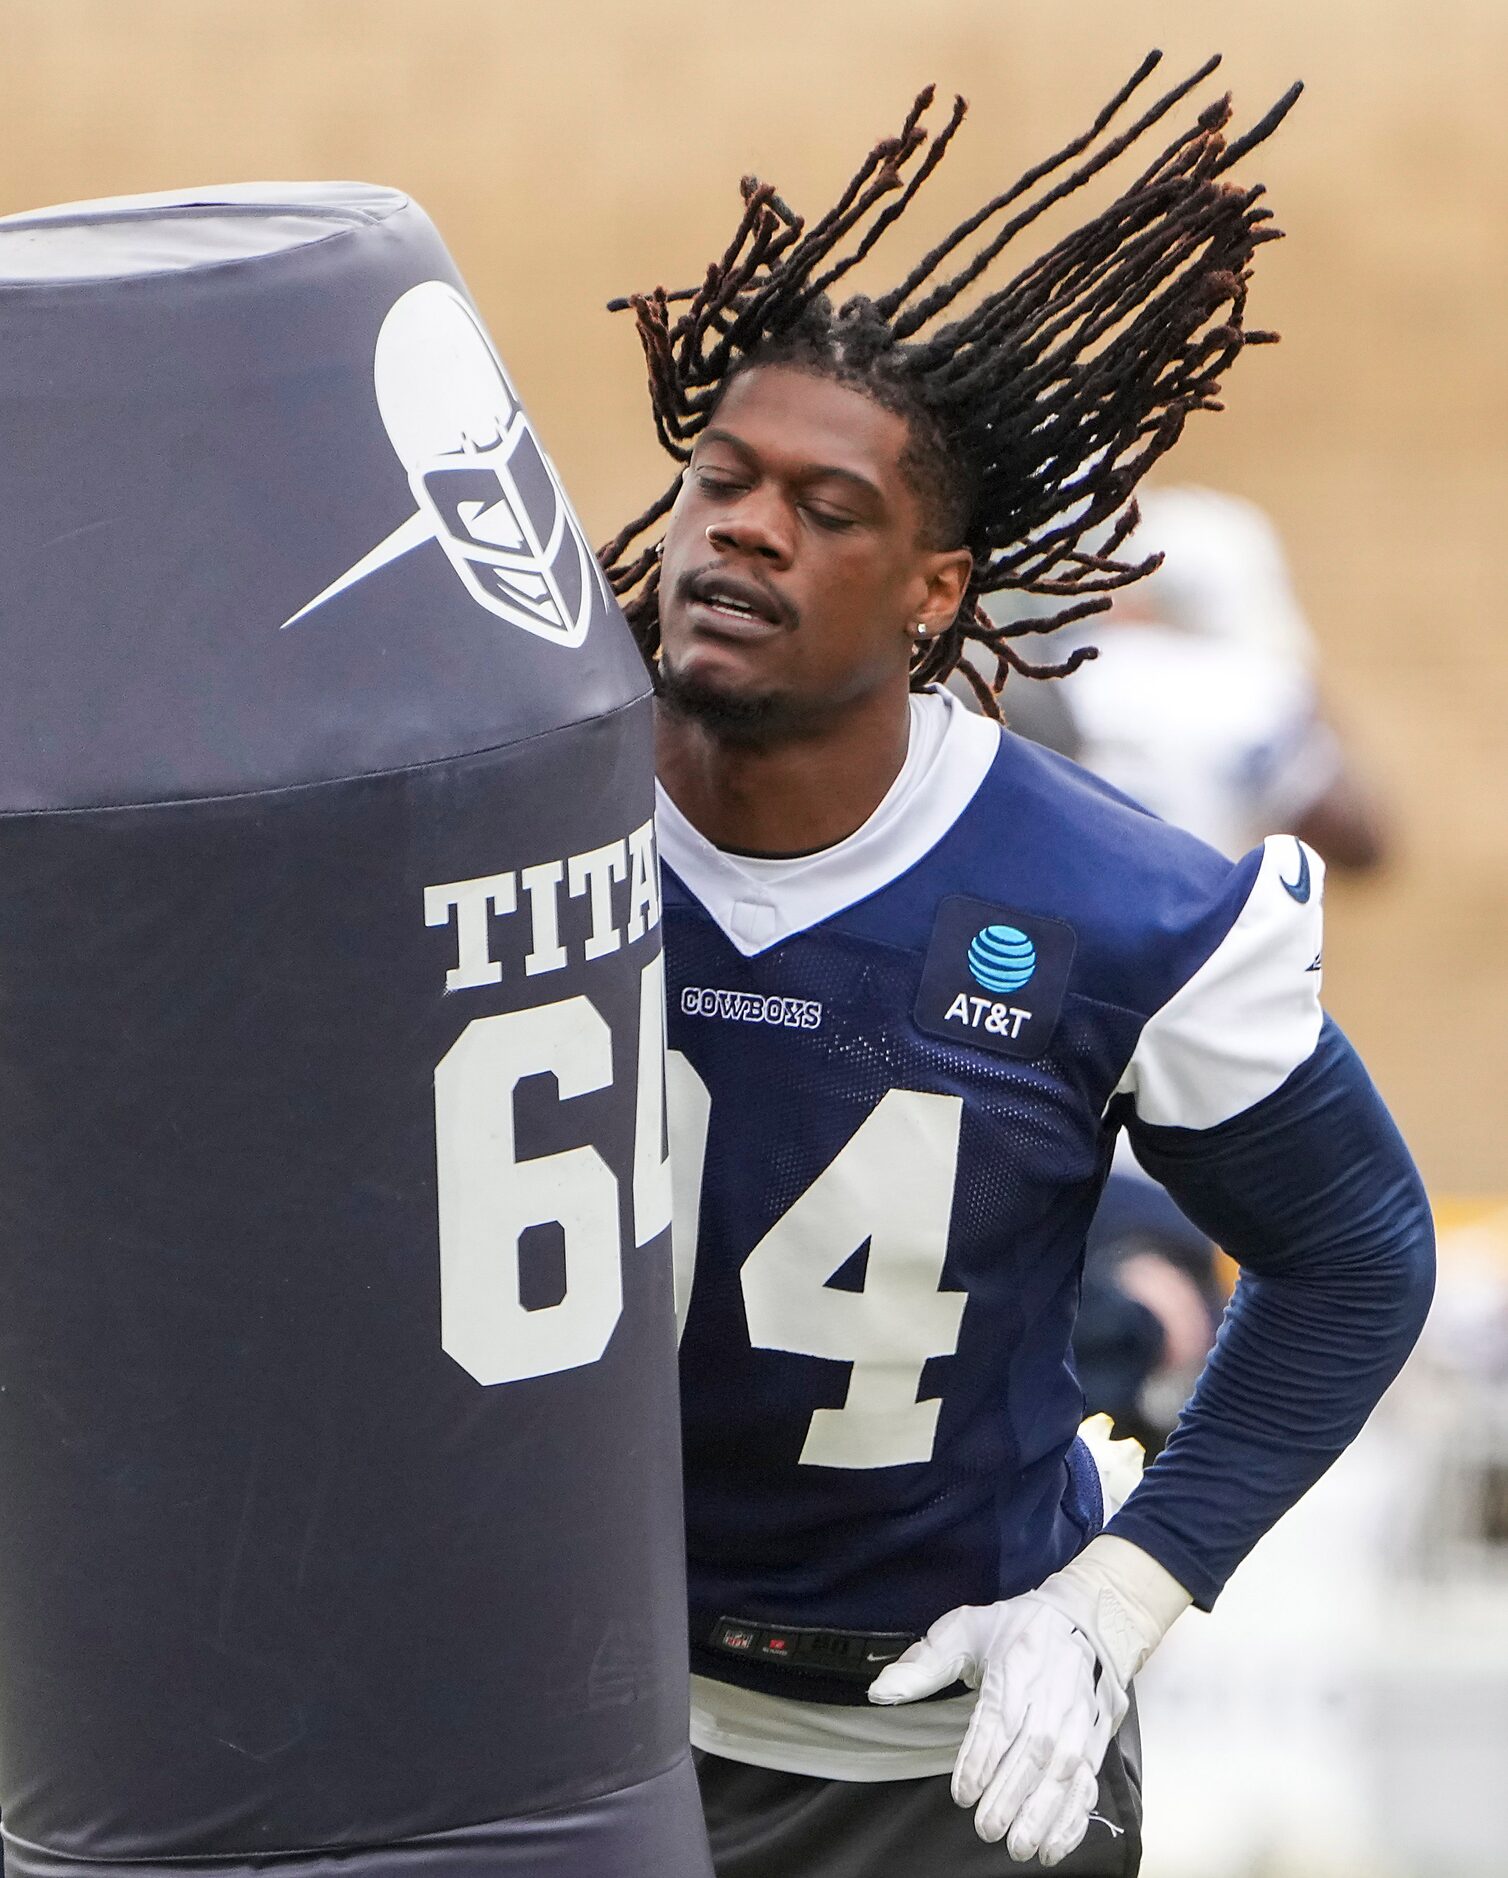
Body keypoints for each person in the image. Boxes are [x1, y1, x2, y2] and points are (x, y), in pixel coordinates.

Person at [600, 55, 1434, 1876]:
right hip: (547, 1727)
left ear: (936, 592)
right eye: (720, 479)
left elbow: (1361, 1252)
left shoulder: (1116, 906)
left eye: (827, 508)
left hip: (934, 1757)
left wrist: (1123, 1596)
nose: (744, 524)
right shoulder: (493, 813)